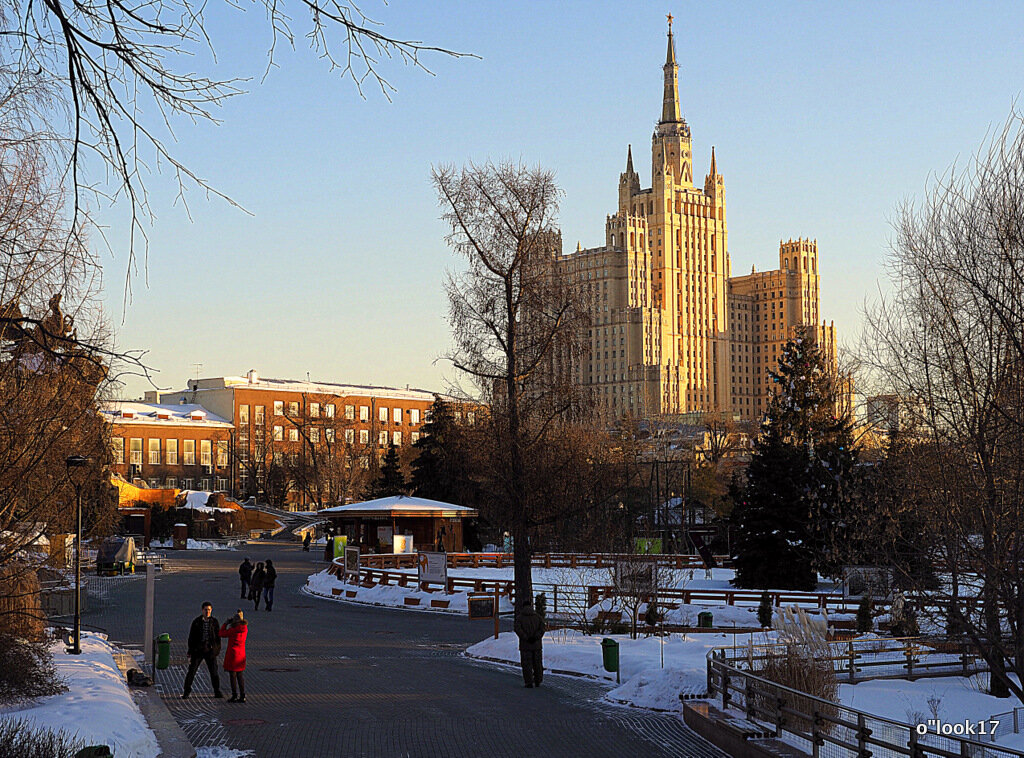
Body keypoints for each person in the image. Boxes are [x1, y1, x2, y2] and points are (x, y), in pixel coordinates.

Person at [182, 601, 223, 699]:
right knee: (192, 671)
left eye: (209, 610)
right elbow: (191, 637)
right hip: (198, 651)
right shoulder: (196, 622)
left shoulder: (214, 622)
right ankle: (186, 691)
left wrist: (216, 650)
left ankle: (217, 691)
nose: (207, 612)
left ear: (211, 610)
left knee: (214, 672)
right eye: (205, 610)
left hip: (210, 651)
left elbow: (218, 637)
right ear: (202, 610)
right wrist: (190, 651)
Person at [514, 598, 545, 688]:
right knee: (537, 663)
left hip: (525, 645)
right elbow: (542, 629)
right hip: (537, 645)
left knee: (527, 664)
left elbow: (518, 629)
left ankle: (529, 682)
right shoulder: (538, 617)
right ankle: (538, 680)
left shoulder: (520, 618)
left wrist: (526, 637)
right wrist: (536, 637)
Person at [219, 610, 248, 703]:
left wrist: (225, 623)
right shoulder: (245, 629)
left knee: (233, 675)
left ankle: (234, 695)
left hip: (232, 655)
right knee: (240, 675)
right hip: (241, 655)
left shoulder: (232, 630)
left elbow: (221, 633)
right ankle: (242, 695)